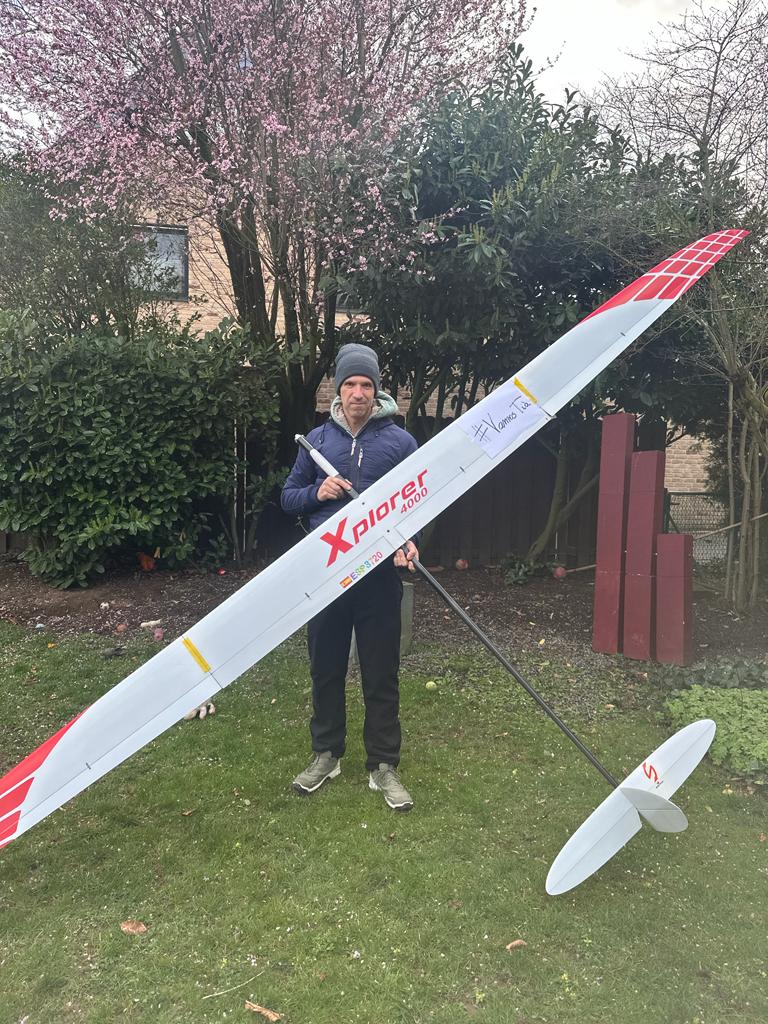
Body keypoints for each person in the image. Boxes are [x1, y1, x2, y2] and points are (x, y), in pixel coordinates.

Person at [281, 343, 419, 812]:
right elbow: (288, 498)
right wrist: (316, 492)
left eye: (366, 385)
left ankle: (383, 764)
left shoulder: (400, 443)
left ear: (376, 390)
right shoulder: (317, 441)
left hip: (378, 575)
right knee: (326, 668)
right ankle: (327, 754)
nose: (358, 393)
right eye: (350, 384)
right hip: (325, 575)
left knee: (381, 672)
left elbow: (420, 502)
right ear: (338, 390)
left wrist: (411, 540)